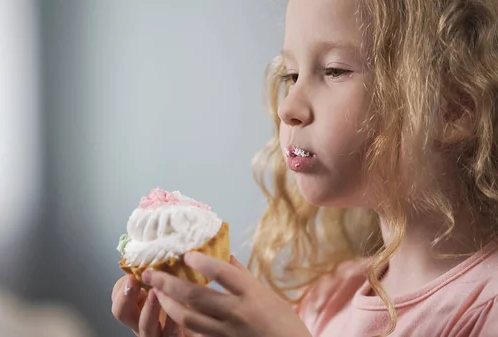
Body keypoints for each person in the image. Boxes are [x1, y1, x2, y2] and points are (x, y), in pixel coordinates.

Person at [112, 0, 498, 335]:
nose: (287, 108)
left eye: (334, 71)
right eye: (291, 75)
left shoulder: (486, 307)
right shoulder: (329, 296)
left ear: (454, 109)